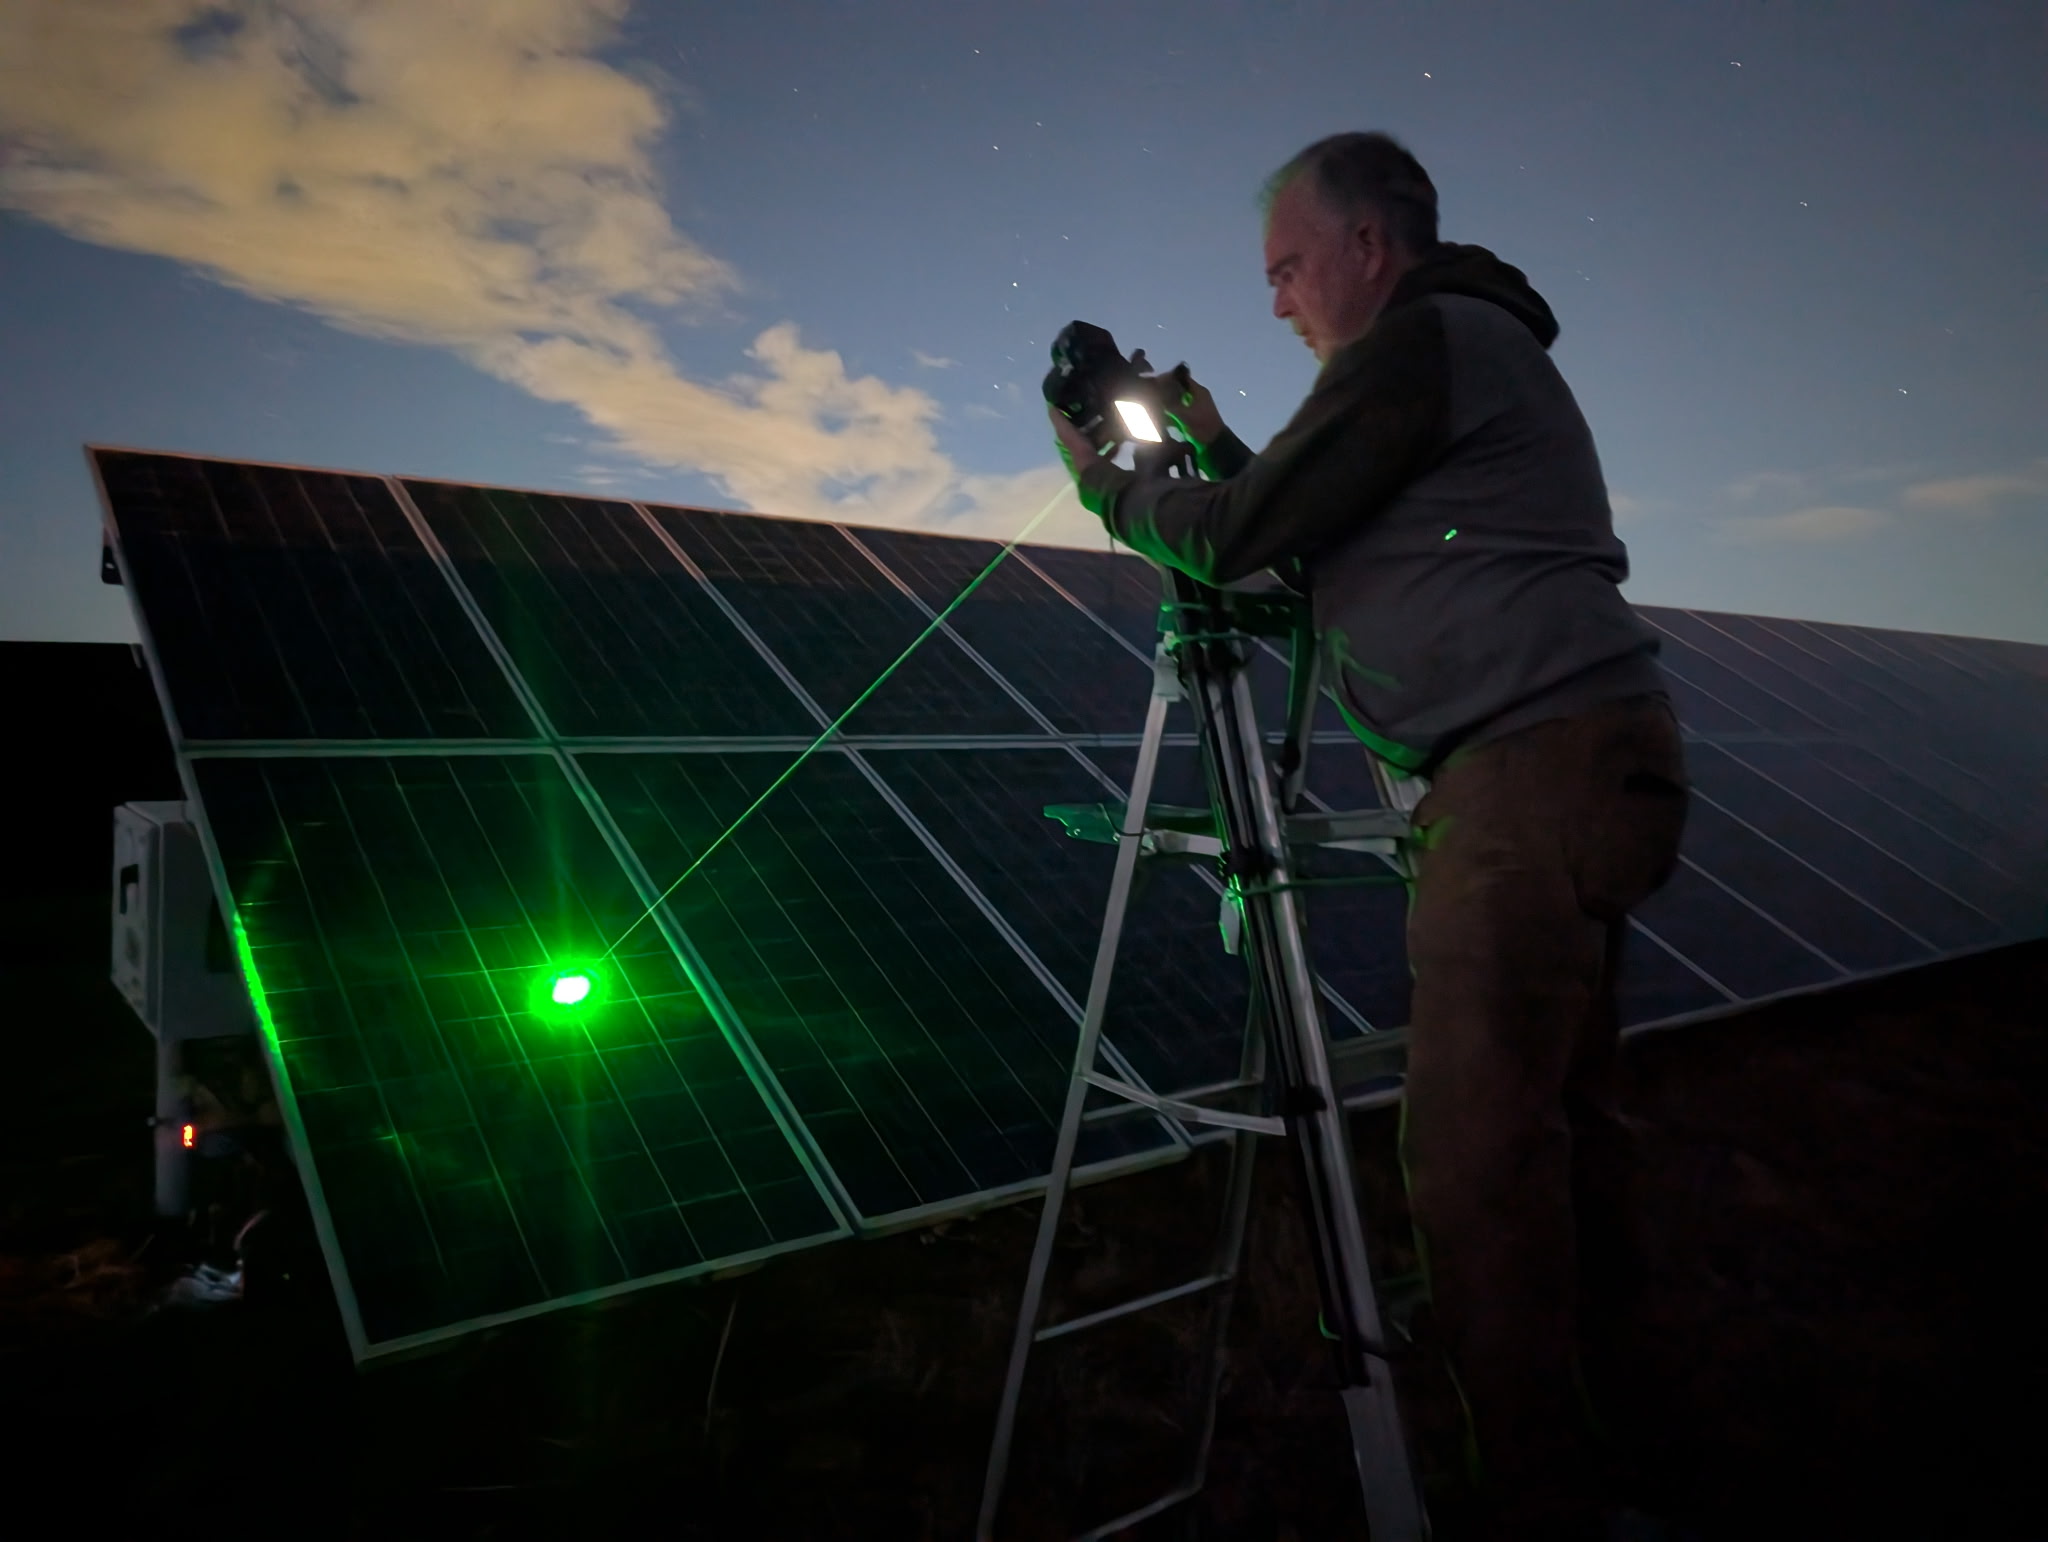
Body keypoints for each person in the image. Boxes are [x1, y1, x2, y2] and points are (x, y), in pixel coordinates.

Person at [1049, 131, 1690, 1541]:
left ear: (1366, 247)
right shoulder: (1453, 351)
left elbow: (1237, 540)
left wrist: (1113, 483)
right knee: (1566, 1136)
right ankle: (1629, 1442)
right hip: (1585, 759)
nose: (1279, 301)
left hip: (1525, 778)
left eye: (1287, 268)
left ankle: (1536, 1498)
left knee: (1476, 1168)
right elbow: (1327, 538)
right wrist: (1212, 443)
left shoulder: (1420, 342)